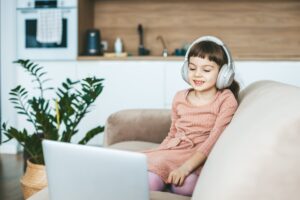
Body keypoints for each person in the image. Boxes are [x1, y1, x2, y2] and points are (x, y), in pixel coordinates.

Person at [143, 36, 240, 196]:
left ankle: (168, 181)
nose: (197, 74)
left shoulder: (226, 99)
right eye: (192, 68)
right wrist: (159, 155)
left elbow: (213, 140)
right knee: (150, 180)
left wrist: (185, 168)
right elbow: (172, 133)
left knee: (185, 186)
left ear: (224, 73)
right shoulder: (179, 97)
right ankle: (162, 178)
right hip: (173, 151)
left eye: (206, 70)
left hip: (198, 155)